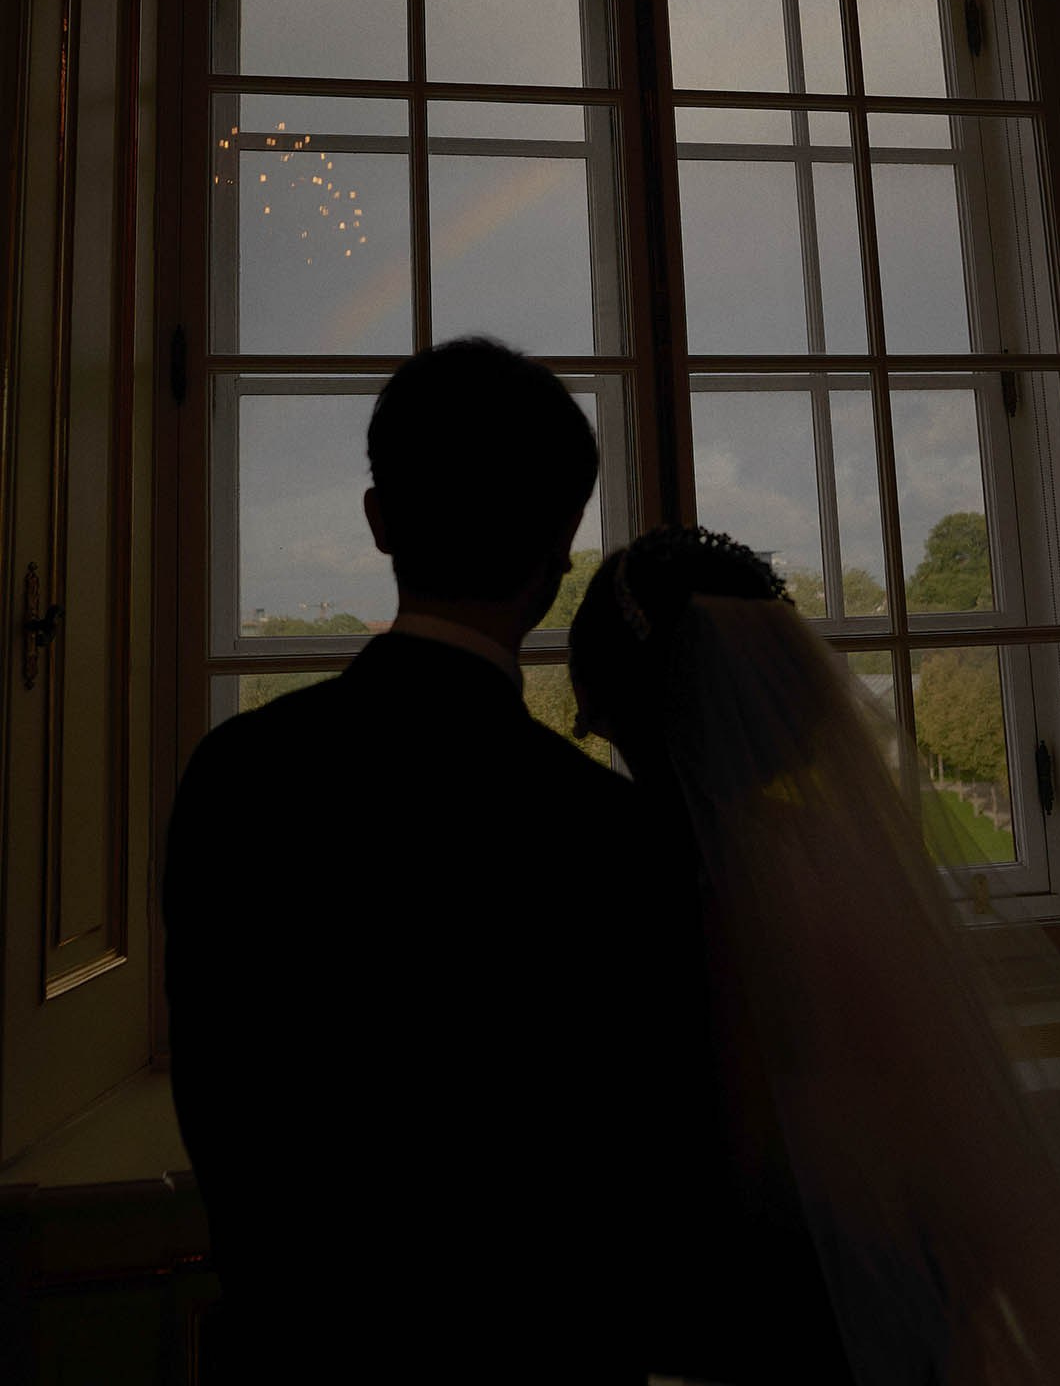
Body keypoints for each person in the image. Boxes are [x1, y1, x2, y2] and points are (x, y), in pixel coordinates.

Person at [164, 341, 807, 1382]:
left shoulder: (233, 777)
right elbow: (657, 1197)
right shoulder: (617, 838)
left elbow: (225, 1122)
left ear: (378, 521)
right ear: (559, 559)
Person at [569, 525, 1060, 1386]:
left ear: (609, 699)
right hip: (892, 1290)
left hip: (735, 1320)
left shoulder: (619, 883)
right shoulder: (831, 880)